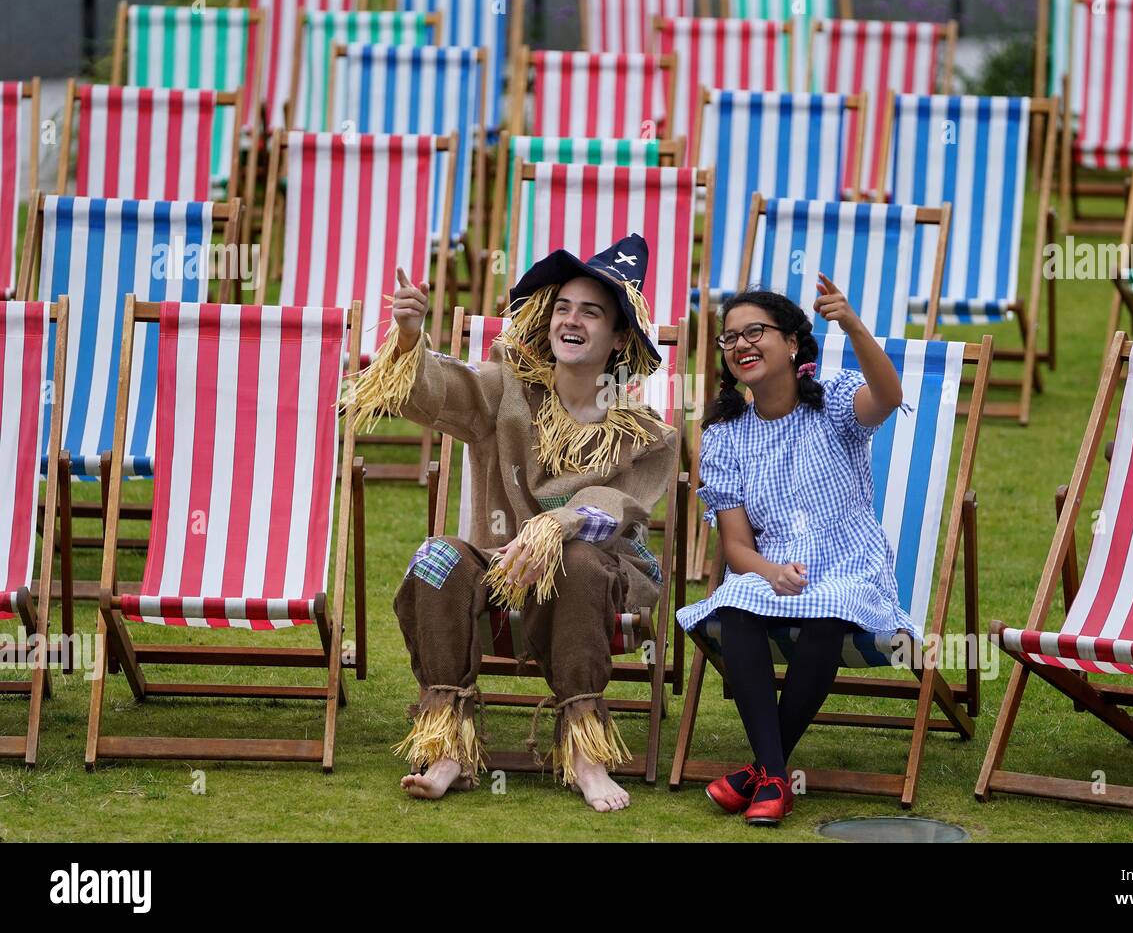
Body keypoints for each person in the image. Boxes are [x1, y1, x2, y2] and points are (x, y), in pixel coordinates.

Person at [346, 234, 678, 812]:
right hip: (499, 567)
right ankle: (449, 742)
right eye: (563, 309)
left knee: (574, 557)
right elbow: (438, 390)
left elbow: (614, 508)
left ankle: (585, 750)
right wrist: (408, 337)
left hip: (595, 575)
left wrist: (559, 525)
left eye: (591, 312)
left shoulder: (646, 434)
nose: (570, 321)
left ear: (620, 337)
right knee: (438, 557)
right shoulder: (506, 392)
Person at [675, 276, 914, 825]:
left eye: (755, 332)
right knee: (737, 605)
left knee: (826, 612)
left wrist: (852, 324)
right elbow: (736, 546)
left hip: (850, 564)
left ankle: (761, 774)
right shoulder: (725, 435)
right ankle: (776, 776)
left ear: (791, 344)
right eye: (729, 338)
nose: (740, 345)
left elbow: (890, 397)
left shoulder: (833, 404)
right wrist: (769, 571)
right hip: (775, 566)